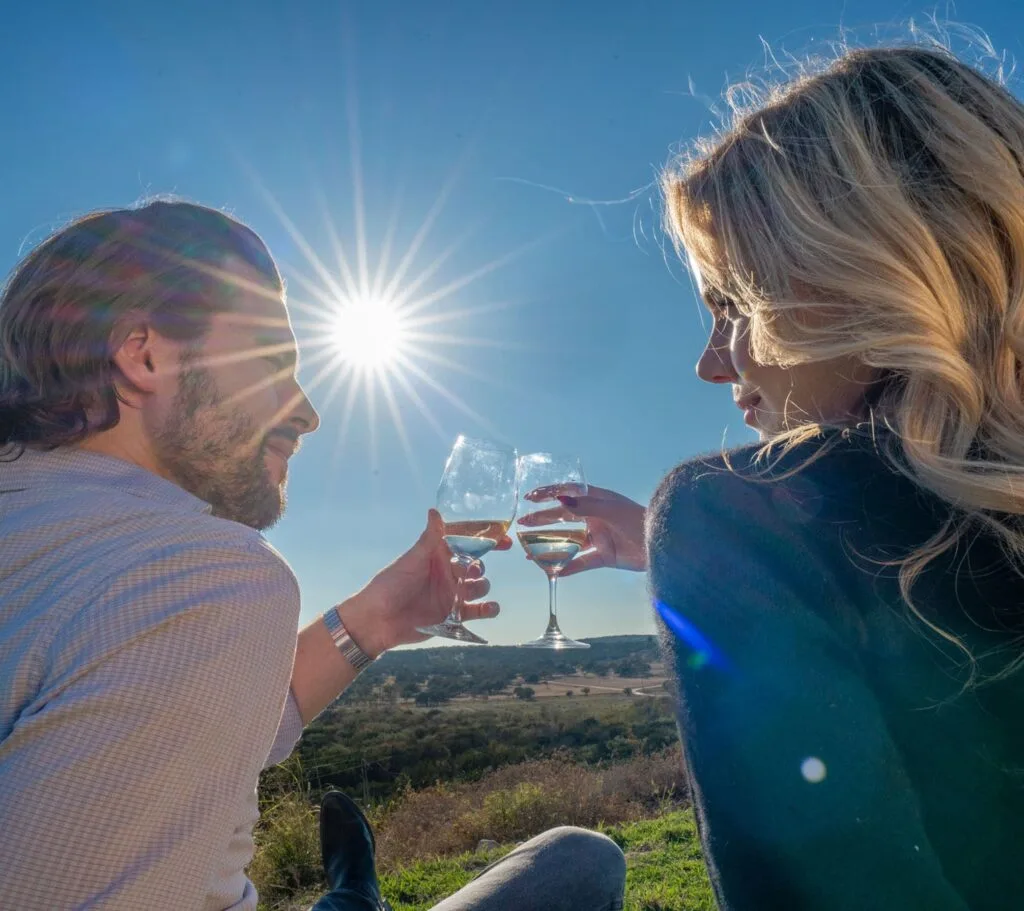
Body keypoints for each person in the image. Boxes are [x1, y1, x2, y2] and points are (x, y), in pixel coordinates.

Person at [0, 200, 625, 911]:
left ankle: (352, 893)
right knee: (579, 861)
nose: (307, 411)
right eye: (271, 361)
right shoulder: (201, 569)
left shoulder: (45, 530)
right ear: (144, 355)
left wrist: (376, 619)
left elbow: (176, 733)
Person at [521, 43, 1024, 909]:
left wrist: (709, 538)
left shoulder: (726, 513)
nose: (714, 366)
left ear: (870, 277)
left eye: (736, 304)